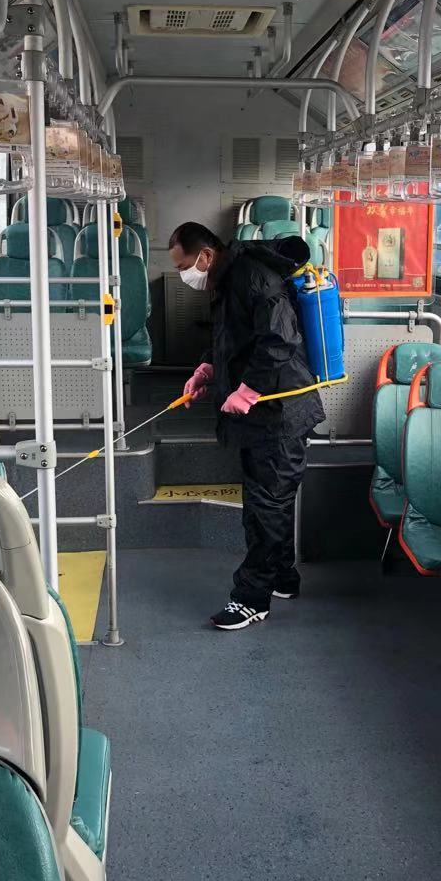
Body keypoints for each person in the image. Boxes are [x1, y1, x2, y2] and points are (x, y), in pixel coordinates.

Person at [168, 222, 325, 630]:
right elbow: (233, 337)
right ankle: (283, 577)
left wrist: (249, 389)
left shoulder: (252, 277)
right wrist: (208, 367)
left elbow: (279, 340)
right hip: (265, 415)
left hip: (281, 412)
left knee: (265, 506)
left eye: (184, 266)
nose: (184, 275)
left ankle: (251, 598)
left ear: (205, 255)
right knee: (268, 501)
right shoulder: (228, 278)